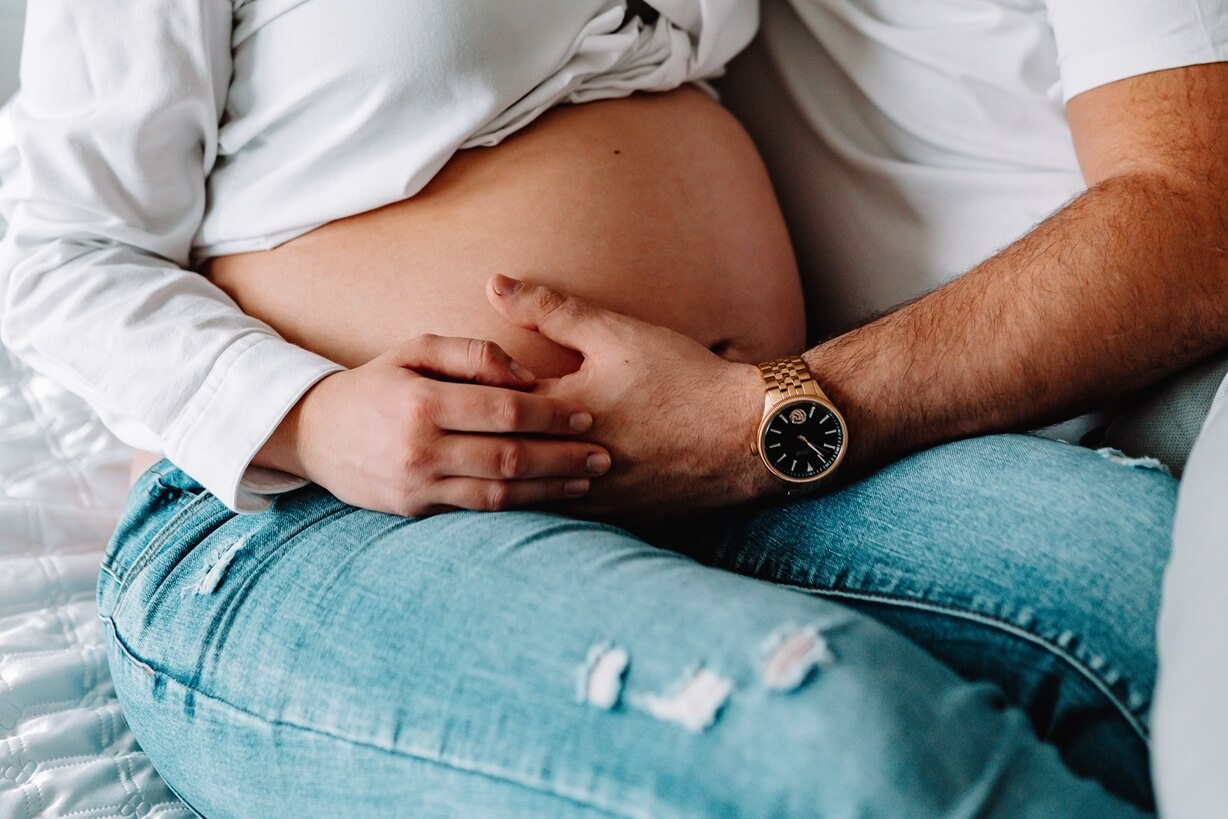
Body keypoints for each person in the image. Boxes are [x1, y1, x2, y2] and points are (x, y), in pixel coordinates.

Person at [0, 0, 1181, 815]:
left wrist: (733, 413)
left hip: (725, 465)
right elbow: (50, 247)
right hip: (325, 516)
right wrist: (310, 416)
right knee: (839, 742)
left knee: (1157, 586)